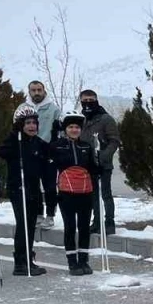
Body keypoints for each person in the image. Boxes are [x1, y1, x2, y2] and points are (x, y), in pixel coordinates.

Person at [49, 110, 103, 275]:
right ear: (65, 129)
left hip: (86, 191)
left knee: (84, 227)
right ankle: (72, 262)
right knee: (70, 227)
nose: (74, 130)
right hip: (66, 193)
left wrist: (99, 168)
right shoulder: (56, 146)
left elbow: (92, 167)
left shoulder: (86, 145)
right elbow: (51, 170)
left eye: (77, 127)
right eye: (71, 127)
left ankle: (84, 260)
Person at [0, 105, 50, 276]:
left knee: (30, 225)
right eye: (28, 123)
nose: (32, 126)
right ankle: (20, 261)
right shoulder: (15, 141)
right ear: (20, 125)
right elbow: (2, 151)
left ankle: (28, 258)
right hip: (18, 188)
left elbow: (51, 153)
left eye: (34, 122)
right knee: (23, 224)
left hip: (34, 189)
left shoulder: (38, 143)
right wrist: (15, 139)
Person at [80, 89, 121, 237]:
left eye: (91, 100)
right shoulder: (81, 120)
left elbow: (114, 140)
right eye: (85, 100)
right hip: (86, 165)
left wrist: (103, 156)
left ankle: (109, 223)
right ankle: (96, 222)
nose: (88, 103)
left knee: (105, 194)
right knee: (93, 195)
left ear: (96, 100)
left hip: (103, 164)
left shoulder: (106, 119)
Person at [27, 81, 62, 229]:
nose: (36, 93)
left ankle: (50, 215)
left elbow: (59, 130)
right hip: (30, 152)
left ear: (44, 91)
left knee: (49, 186)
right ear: (29, 92)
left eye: (39, 90)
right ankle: (38, 213)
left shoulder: (53, 109)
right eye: (33, 90)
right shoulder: (25, 109)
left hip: (48, 152)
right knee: (33, 186)